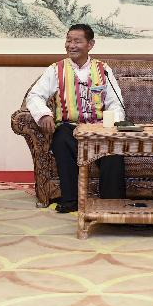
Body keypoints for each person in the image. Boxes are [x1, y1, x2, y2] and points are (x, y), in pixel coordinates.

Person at [25, 24, 126, 213]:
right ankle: (71, 200)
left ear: (90, 44)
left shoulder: (103, 70)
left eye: (77, 41)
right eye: (68, 40)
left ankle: (112, 203)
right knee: (61, 138)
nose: (71, 45)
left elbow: (115, 103)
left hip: (98, 130)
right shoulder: (56, 69)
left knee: (113, 148)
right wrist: (44, 114)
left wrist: (112, 125)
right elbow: (34, 96)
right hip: (70, 128)